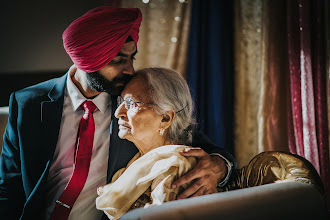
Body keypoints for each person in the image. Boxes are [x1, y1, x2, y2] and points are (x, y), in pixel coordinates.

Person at [0, 6, 236, 220]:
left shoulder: (137, 104)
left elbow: (192, 140)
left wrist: (219, 166)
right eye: (118, 60)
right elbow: (9, 187)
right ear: (89, 59)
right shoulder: (28, 104)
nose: (130, 70)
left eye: (132, 58)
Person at [96, 67, 230, 219]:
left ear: (165, 118)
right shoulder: (139, 161)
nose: (118, 112)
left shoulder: (173, 166)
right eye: (121, 100)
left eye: (131, 103)